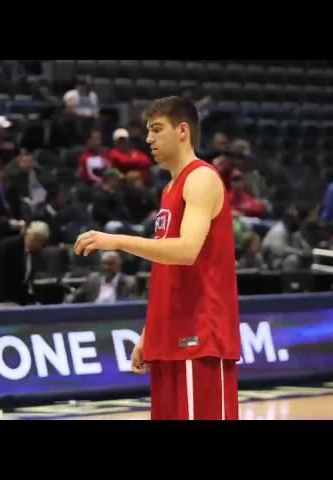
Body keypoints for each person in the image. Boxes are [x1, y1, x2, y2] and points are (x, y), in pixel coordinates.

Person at [74, 96, 240, 420]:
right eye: (148, 130)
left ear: (182, 131)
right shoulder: (168, 189)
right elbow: (166, 267)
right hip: (170, 334)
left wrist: (117, 240)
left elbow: (187, 250)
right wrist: (150, 333)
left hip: (201, 333)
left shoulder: (201, 178)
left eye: (156, 129)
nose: (148, 138)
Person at [0, 221, 50, 306]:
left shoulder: (33, 254)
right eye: (41, 242)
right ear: (33, 238)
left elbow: (25, 281)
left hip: (15, 301)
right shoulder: (8, 246)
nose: (41, 246)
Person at [70, 251, 137, 304]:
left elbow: (132, 306)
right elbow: (74, 301)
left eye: (110, 263)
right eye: (104, 263)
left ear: (119, 265)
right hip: (92, 317)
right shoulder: (91, 281)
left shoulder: (129, 283)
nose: (106, 267)